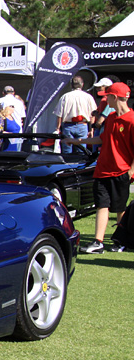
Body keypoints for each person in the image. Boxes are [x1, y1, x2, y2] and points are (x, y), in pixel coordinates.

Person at [63, 82, 134, 253]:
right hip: (102, 169)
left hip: (122, 171)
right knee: (102, 204)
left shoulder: (131, 120)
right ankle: (98, 242)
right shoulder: (110, 118)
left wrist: (131, 171)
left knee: (120, 207)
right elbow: (102, 139)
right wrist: (77, 141)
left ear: (115, 97)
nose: (105, 99)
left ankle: (120, 240)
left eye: (107, 96)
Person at [55, 76, 96, 155]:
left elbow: (59, 114)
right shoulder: (88, 97)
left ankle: (67, 166)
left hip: (68, 126)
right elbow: (92, 115)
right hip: (82, 125)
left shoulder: (65, 97)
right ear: (82, 85)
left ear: (71, 85)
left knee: (67, 151)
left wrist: (58, 128)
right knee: (81, 151)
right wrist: (91, 129)